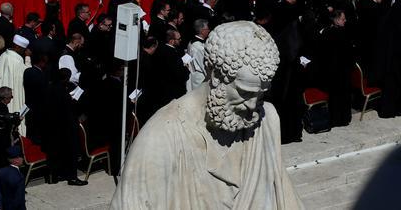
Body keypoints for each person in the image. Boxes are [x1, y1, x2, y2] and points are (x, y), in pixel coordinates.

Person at [111, 22, 302, 209]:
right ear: (215, 75)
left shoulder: (265, 120)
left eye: (260, 94)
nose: (253, 105)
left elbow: (286, 197)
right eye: (245, 92)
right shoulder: (160, 138)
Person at [0, 144, 27, 210]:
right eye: (22, 157)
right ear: (17, 160)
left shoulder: (1, 171)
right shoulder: (19, 177)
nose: (23, 159)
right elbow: (19, 200)